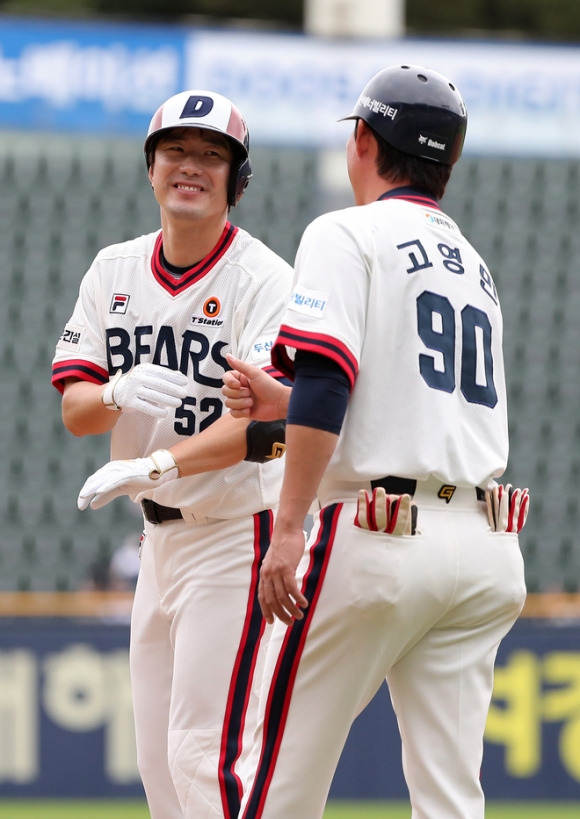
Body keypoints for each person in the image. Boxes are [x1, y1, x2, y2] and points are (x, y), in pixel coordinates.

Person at [222, 65, 529, 819]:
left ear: (364, 139)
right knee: (452, 801)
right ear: (447, 163)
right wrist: (288, 404)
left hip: (383, 536)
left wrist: (289, 527)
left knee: (270, 780)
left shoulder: (344, 230)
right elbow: (411, 407)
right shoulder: (474, 267)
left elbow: (330, 379)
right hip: (485, 546)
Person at [51, 89, 293, 819]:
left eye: (212, 156)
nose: (191, 167)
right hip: (156, 538)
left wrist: (154, 463)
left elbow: (262, 425)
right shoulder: (113, 270)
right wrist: (118, 390)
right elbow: (75, 410)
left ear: (237, 180)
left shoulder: (264, 279)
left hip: (233, 531)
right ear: (151, 169)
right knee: (158, 766)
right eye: (176, 152)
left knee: (201, 754)